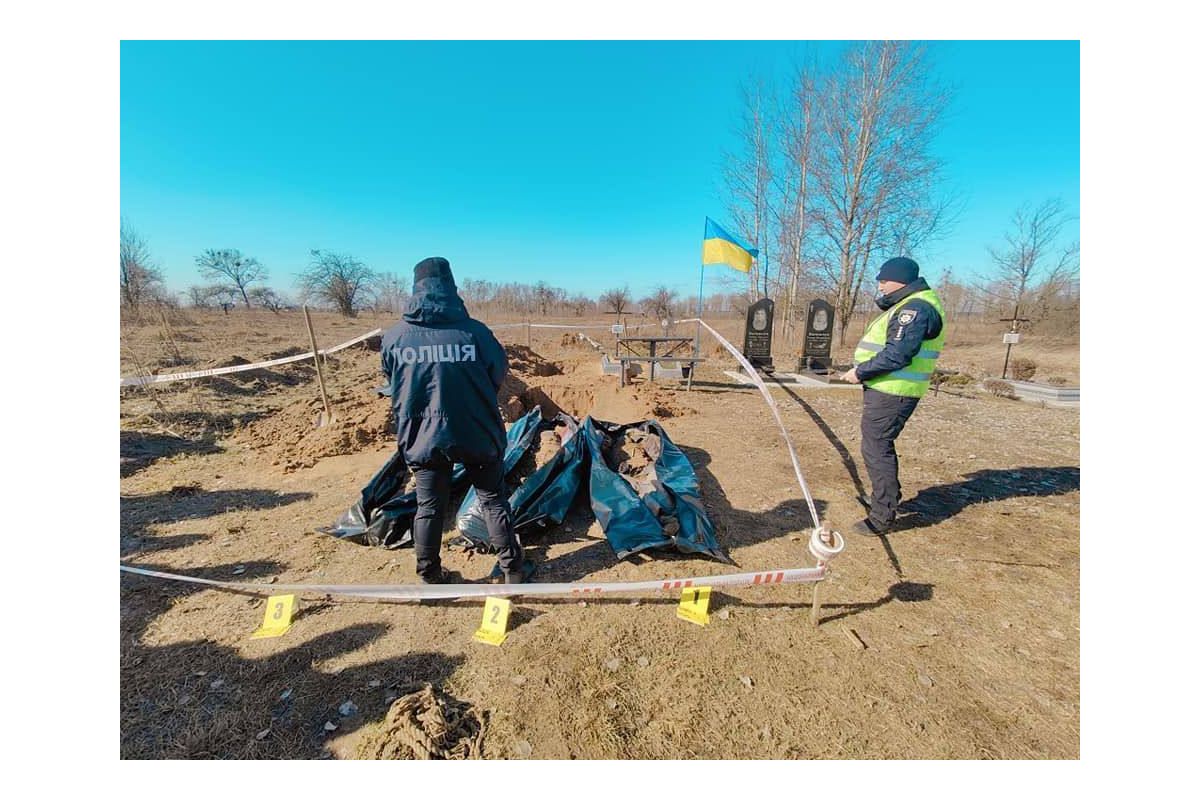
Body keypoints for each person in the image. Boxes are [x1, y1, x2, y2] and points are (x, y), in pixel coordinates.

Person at [381, 257, 532, 584]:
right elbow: (497, 373)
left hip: (424, 435)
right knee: (492, 501)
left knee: (429, 507)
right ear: (452, 287)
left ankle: (430, 575)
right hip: (476, 430)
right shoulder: (476, 333)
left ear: (414, 288)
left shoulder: (395, 338)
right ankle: (513, 572)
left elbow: (392, 382)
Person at [839, 256, 945, 536]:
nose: (881, 284)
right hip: (888, 389)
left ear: (902, 280)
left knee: (877, 449)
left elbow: (898, 354)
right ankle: (883, 498)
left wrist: (861, 372)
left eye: (885, 279)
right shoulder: (908, 304)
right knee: (875, 446)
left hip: (894, 391)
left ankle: (882, 515)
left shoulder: (915, 309)